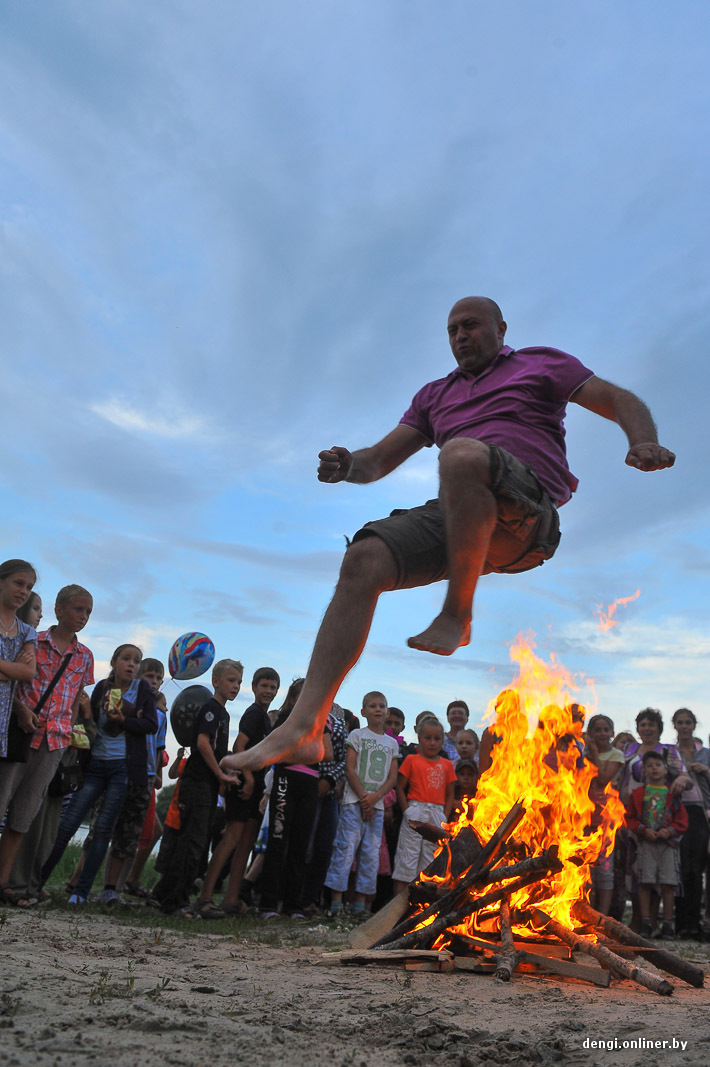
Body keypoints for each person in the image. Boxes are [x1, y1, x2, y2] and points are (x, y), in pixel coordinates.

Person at [222, 296, 674, 779]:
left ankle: (457, 613)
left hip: (527, 511)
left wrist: (641, 439)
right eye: (452, 329)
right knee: (364, 556)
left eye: (472, 325)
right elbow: (378, 460)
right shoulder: (434, 395)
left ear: (501, 329)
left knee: (460, 455)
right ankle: (304, 728)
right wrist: (349, 465)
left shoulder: (542, 363)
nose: (461, 335)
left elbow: (618, 398)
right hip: (458, 515)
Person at [40, 643, 158, 903]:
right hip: (95, 765)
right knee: (68, 824)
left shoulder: (143, 690)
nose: (132, 665)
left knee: (104, 830)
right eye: (126, 659)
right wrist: (85, 713)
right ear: (114, 662)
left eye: (136, 661)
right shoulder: (102, 688)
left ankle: (81, 892)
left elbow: (151, 724)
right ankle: (37, 882)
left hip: (122, 768)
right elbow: (88, 725)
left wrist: (124, 720)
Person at [0, 584, 94, 907]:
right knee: (2, 802)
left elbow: (75, 699)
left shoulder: (84, 657)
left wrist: (68, 734)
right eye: (77, 609)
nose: (82, 617)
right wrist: (21, 711)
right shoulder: (33, 640)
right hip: (20, 732)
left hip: (54, 741)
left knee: (25, 814)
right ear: (58, 609)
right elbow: (10, 684)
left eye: (87, 612)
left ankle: (10, 882)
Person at [150, 659, 242, 916]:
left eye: (239, 683)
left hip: (208, 784)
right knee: (191, 843)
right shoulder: (211, 710)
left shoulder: (222, 713)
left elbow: (215, 749)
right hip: (197, 783)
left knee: (193, 843)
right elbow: (202, 743)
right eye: (231, 681)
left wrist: (227, 771)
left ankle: (161, 895)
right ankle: (175, 902)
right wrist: (220, 774)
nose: (235, 687)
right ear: (216, 681)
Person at [196, 666, 277, 918]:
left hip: (257, 785)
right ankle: (205, 896)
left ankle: (232, 899)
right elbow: (239, 745)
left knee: (246, 843)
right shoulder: (253, 714)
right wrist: (250, 777)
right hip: (245, 782)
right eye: (263, 685)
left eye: (273, 687)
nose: (268, 691)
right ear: (253, 688)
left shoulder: (265, 717)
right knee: (232, 838)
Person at [323, 691, 399, 918]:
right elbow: (349, 768)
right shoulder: (356, 735)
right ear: (364, 711)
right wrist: (363, 796)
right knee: (346, 848)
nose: (378, 709)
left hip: (375, 806)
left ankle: (360, 904)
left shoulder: (392, 743)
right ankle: (335, 902)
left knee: (370, 852)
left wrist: (374, 799)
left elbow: (392, 778)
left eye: (382, 706)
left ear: (387, 712)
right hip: (353, 802)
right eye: (373, 706)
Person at [625, 750, 688, 939]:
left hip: (668, 846)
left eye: (658, 765)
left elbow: (682, 820)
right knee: (645, 882)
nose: (654, 769)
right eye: (649, 766)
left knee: (668, 884)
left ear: (666, 769)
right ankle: (646, 922)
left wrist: (670, 830)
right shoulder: (638, 793)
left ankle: (667, 924)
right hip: (646, 843)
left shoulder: (673, 794)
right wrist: (643, 829)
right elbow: (630, 818)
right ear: (644, 771)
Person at [392, 715, 456, 892]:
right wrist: (407, 811)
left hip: (437, 813)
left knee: (430, 857)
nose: (432, 743)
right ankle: (398, 902)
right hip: (416, 809)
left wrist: (445, 815)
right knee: (407, 854)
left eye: (437, 739)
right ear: (419, 739)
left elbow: (450, 793)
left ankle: (420, 904)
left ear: (442, 741)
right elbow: (400, 787)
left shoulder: (447, 765)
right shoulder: (412, 760)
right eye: (428, 738)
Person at [671, 708, 710, 939]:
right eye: (680, 722)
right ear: (674, 725)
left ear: (694, 725)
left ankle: (695, 924)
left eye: (688, 722)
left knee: (697, 869)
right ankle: (680, 923)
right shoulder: (670, 753)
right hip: (677, 810)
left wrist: (705, 770)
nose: (684, 726)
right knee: (680, 869)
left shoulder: (705, 753)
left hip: (701, 813)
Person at [0, 560, 38, 761]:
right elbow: (19, 670)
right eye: (18, 583)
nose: (24, 591)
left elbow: (27, 673)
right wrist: (13, 668)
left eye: (29, 587)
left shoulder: (26, 631)